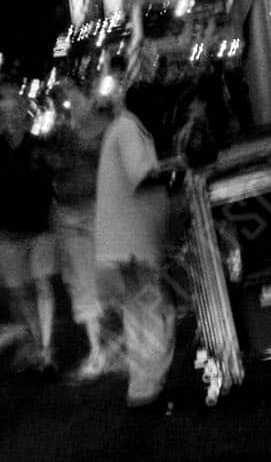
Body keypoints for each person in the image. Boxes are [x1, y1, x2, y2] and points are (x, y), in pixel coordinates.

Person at [94, 75, 182, 409]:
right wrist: (178, 174)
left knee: (138, 313)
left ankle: (142, 385)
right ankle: (150, 384)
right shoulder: (129, 129)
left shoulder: (124, 127)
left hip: (123, 245)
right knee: (155, 311)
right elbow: (143, 177)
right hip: (133, 246)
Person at [47, 77, 112, 379]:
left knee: (109, 274)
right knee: (84, 285)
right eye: (63, 97)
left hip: (97, 209)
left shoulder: (98, 126)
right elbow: (51, 167)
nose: (69, 102)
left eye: (72, 94)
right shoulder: (57, 131)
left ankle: (114, 339)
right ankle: (97, 348)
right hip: (70, 213)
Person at [0, 84, 57, 374]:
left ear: (25, 114)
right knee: (18, 291)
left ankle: (46, 349)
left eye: (15, 111)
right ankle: (38, 341)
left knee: (42, 285)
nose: (11, 118)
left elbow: (50, 182)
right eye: (5, 113)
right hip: (8, 231)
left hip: (39, 228)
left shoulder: (37, 146)